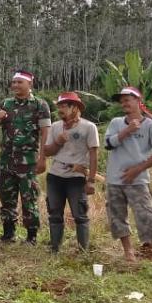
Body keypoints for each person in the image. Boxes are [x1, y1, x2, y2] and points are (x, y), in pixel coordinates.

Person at [104, 86, 152, 268]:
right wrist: (126, 131)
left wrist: (137, 169)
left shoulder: (151, 126)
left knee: (147, 217)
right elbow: (108, 144)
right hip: (114, 179)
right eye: (122, 100)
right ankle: (128, 253)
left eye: (128, 99)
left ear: (138, 101)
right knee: (117, 216)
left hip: (138, 180)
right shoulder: (116, 122)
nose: (124, 103)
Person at [0, 70, 51, 245]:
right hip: (6, 161)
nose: (15, 85)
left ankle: (31, 237)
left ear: (30, 84)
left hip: (28, 162)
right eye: (13, 82)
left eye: (19, 82)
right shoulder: (5, 104)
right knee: (6, 197)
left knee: (28, 198)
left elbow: (46, 132)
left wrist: (43, 158)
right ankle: (8, 234)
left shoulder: (40, 105)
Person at [44, 92, 99, 253]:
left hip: (76, 176)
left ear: (75, 108)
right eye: (59, 106)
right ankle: (55, 248)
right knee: (54, 213)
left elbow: (94, 155)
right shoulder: (55, 126)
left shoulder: (89, 127)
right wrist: (58, 141)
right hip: (55, 175)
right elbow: (47, 151)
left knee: (80, 215)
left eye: (64, 106)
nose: (60, 109)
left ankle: (83, 250)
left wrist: (91, 180)